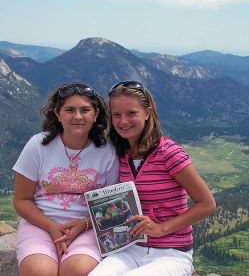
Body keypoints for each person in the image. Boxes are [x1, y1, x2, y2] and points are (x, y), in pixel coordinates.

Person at [89, 80, 216, 276]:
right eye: (117, 115)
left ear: (147, 113)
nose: (123, 121)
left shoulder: (169, 153)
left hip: (171, 252)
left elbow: (207, 203)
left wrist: (160, 229)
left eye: (131, 113)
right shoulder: (121, 153)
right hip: (129, 248)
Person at [12, 82, 119, 276]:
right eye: (70, 110)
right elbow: (21, 200)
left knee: (78, 270)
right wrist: (51, 227)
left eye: (85, 110)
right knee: (39, 271)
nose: (78, 116)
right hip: (40, 224)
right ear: (58, 114)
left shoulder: (107, 152)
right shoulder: (38, 145)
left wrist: (84, 224)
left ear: (95, 115)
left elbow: (111, 206)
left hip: (89, 227)